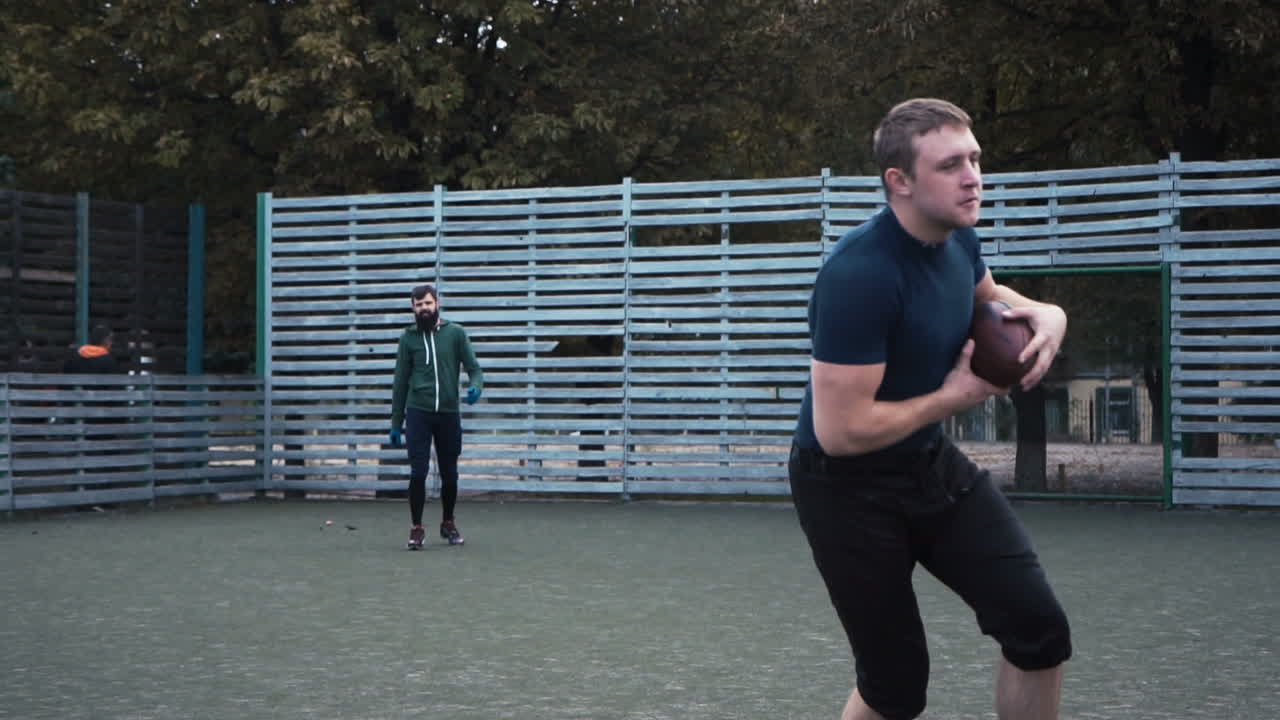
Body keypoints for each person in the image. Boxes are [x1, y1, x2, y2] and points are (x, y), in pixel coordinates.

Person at [788, 98, 1072, 720]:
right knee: (895, 686)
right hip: (845, 488)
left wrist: (1051, 312)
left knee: (1039, 630)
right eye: (950, 165)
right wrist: (955, 397)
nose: (973, 176)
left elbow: (993, 299)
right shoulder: (858, 275)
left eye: (975, 159)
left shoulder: (959, 240)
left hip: (926, 463)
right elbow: (841, 433)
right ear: (901, 182)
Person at [390, 283, 483, 549]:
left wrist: (476, 387)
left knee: (450, 473)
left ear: (437, 304)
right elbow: (400, 383)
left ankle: (448, 523)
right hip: (418, 412)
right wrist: (396, 422)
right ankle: (417, 528)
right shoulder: (407, 339)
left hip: (448, 413)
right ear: (413, 308)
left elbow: (475, 369)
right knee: (418, 472)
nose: (424, 309)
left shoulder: (455, 334)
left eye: (428, 304)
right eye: (418, 305)